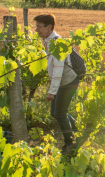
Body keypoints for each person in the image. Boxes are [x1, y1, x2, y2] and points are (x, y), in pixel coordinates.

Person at [34, 14, 79, 153]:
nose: (36, 30)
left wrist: (51, 92)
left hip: (67, 82)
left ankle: (70, 143)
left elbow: (58, 70)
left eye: (39, 27)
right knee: (55, 113)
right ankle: (79, 129)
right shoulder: (48, 41)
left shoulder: (57, 43)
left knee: (60, 113)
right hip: (62, 82)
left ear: (49, 27)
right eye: (36, 26)